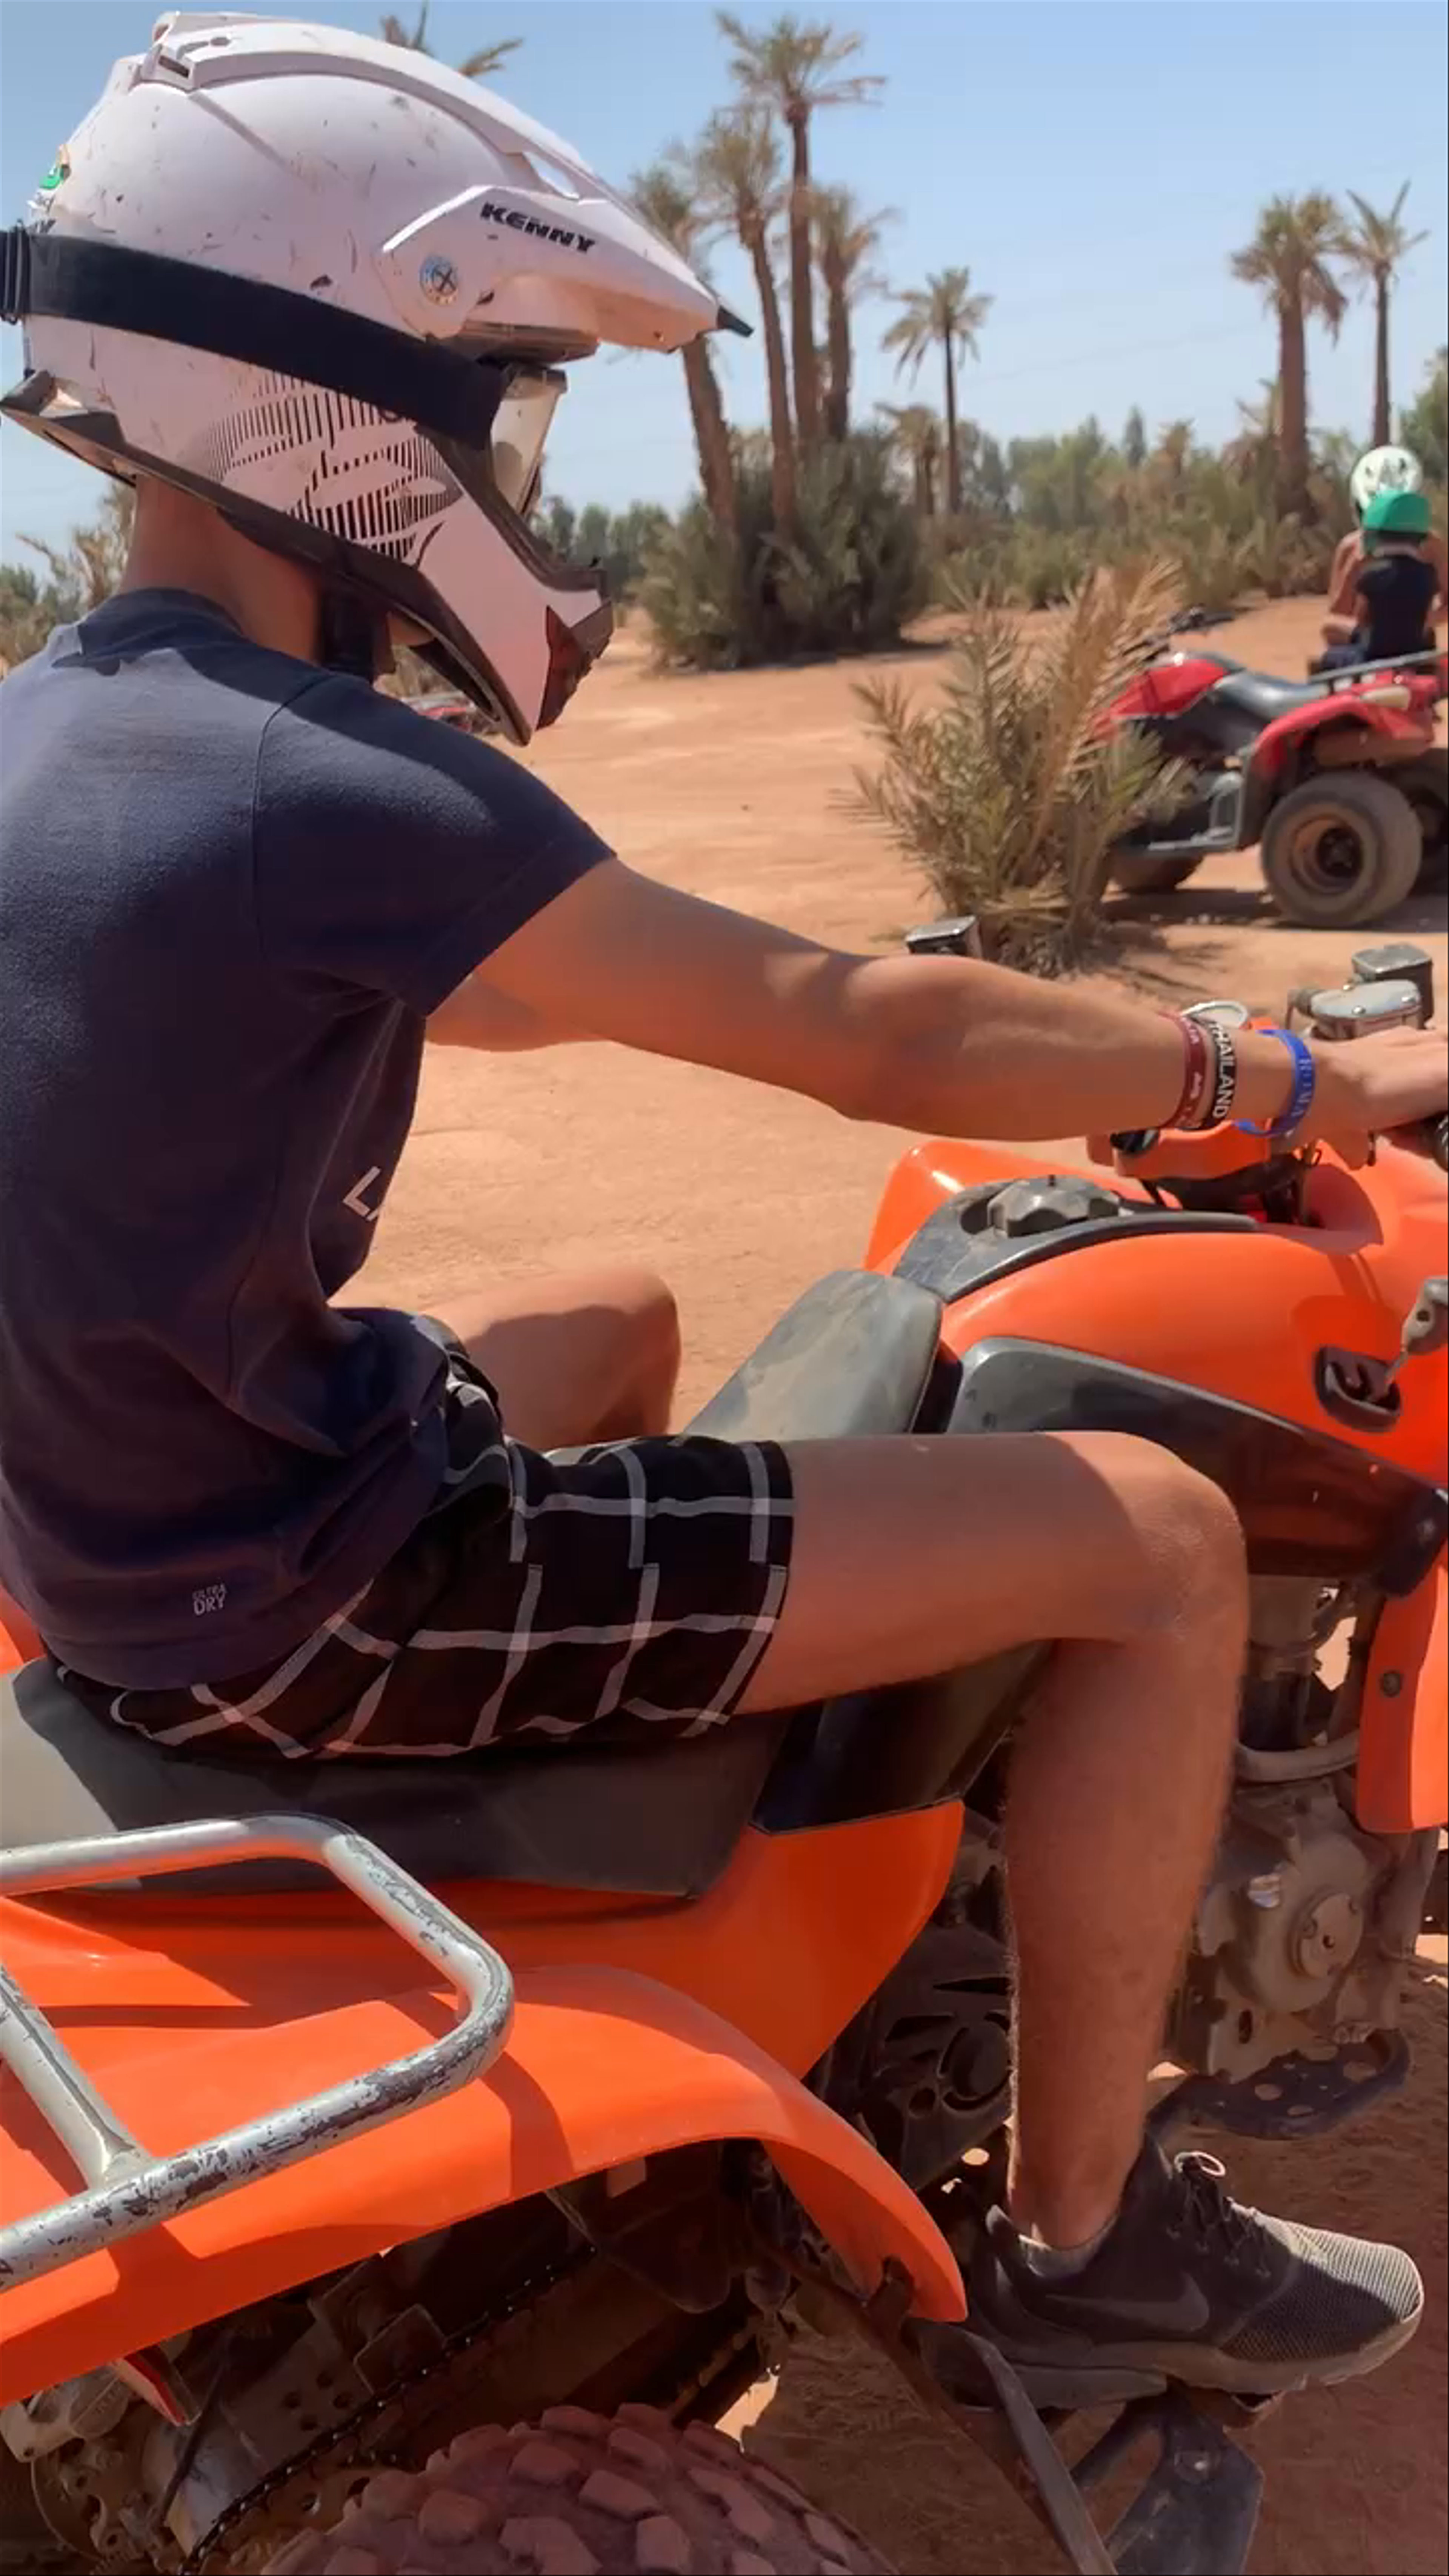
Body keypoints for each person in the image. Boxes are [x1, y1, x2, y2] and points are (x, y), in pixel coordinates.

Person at [2, 16, 1444, 2398]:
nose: (509, 468)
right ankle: (1082, 2239)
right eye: (497, 404)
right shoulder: (323, 779)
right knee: (1160, 1546)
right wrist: (1280, 1060)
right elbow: (876, 1035)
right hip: (285, 1598)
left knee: (617, 1306)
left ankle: (713, 1846)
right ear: (331, 406)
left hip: (119, 1525)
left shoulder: (78, 716)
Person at [1320, 443, 1447, 659]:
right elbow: (1338, 613)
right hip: (1367, 634)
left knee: (1329, 635)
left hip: (1410, 638)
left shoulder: (1434, 546)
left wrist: (1421, 622)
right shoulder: (1350, 548)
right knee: (1332, 632)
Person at [1313, 487, 1444, 675]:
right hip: (1415, 649)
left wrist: (1353, 570)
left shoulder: (1373, 575)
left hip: (1372, 655)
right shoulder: (1428, 573)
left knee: (1330, 645)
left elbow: (1361, 619)